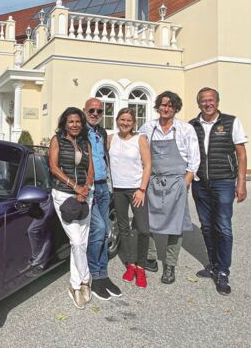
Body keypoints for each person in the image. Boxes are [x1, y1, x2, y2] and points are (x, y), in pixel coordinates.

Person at [189, 87, 248, 296]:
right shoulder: (192, 125)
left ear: (217, 101)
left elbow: (241, 154)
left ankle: (223, 271)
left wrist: (241, 182)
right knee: (206, 226)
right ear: (199, 103)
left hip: (223, 181)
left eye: (211, 100)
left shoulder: (231, 122)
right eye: (203, 100)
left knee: (223, 226)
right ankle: (213, 264)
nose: (207, 104)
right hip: (200, 182)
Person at [139, 91, 200, 284]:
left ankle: (170, 265)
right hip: (152, 180)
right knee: (148, 219)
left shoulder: (186, 129)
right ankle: (151, 257)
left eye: (171, 105)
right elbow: (138, 152)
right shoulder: (147, 128)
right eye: (163, 104)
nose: (166, 108)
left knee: (176, 224)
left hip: (176, 182)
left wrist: (185, 181)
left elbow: (194, 159)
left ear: (176, 108)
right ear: (158, 106)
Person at [49, 107, 95, 309]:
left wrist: (86, 188)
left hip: (85, 195)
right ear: (64, 124)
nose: (75, 125)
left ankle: (76, 285)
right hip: (64, 195)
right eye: (71, 122)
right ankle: (85, 277)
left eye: (78, 122)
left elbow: (90, 169)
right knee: (76, 241)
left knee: (82, 242)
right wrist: (75, 187)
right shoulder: (57, 140)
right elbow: (53, 167)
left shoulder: (85, 142)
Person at [107, 108, 154, 286]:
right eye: (122, 119)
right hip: (118, 190)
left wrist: (142, 189)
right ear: (117, 120)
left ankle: (141, 267)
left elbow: (148, 165)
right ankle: (130, 264)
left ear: (134, 123)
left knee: (143, 229)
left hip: (136, 189)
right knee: (123, 228)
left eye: (129, 120)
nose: (125, 123)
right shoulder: (111, 139)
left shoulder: (140, 139)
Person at [83, 97, 123, 301]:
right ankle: (95, 276)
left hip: (103, 186)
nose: (95, 114)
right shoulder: (79, 131)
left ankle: (103, 274)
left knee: (105, 231)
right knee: (98, 229)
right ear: (84, 110)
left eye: (99, 111)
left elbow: (105, 159)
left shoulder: (101, 132)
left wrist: (110, 185)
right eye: (92, 110)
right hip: (88, 187)